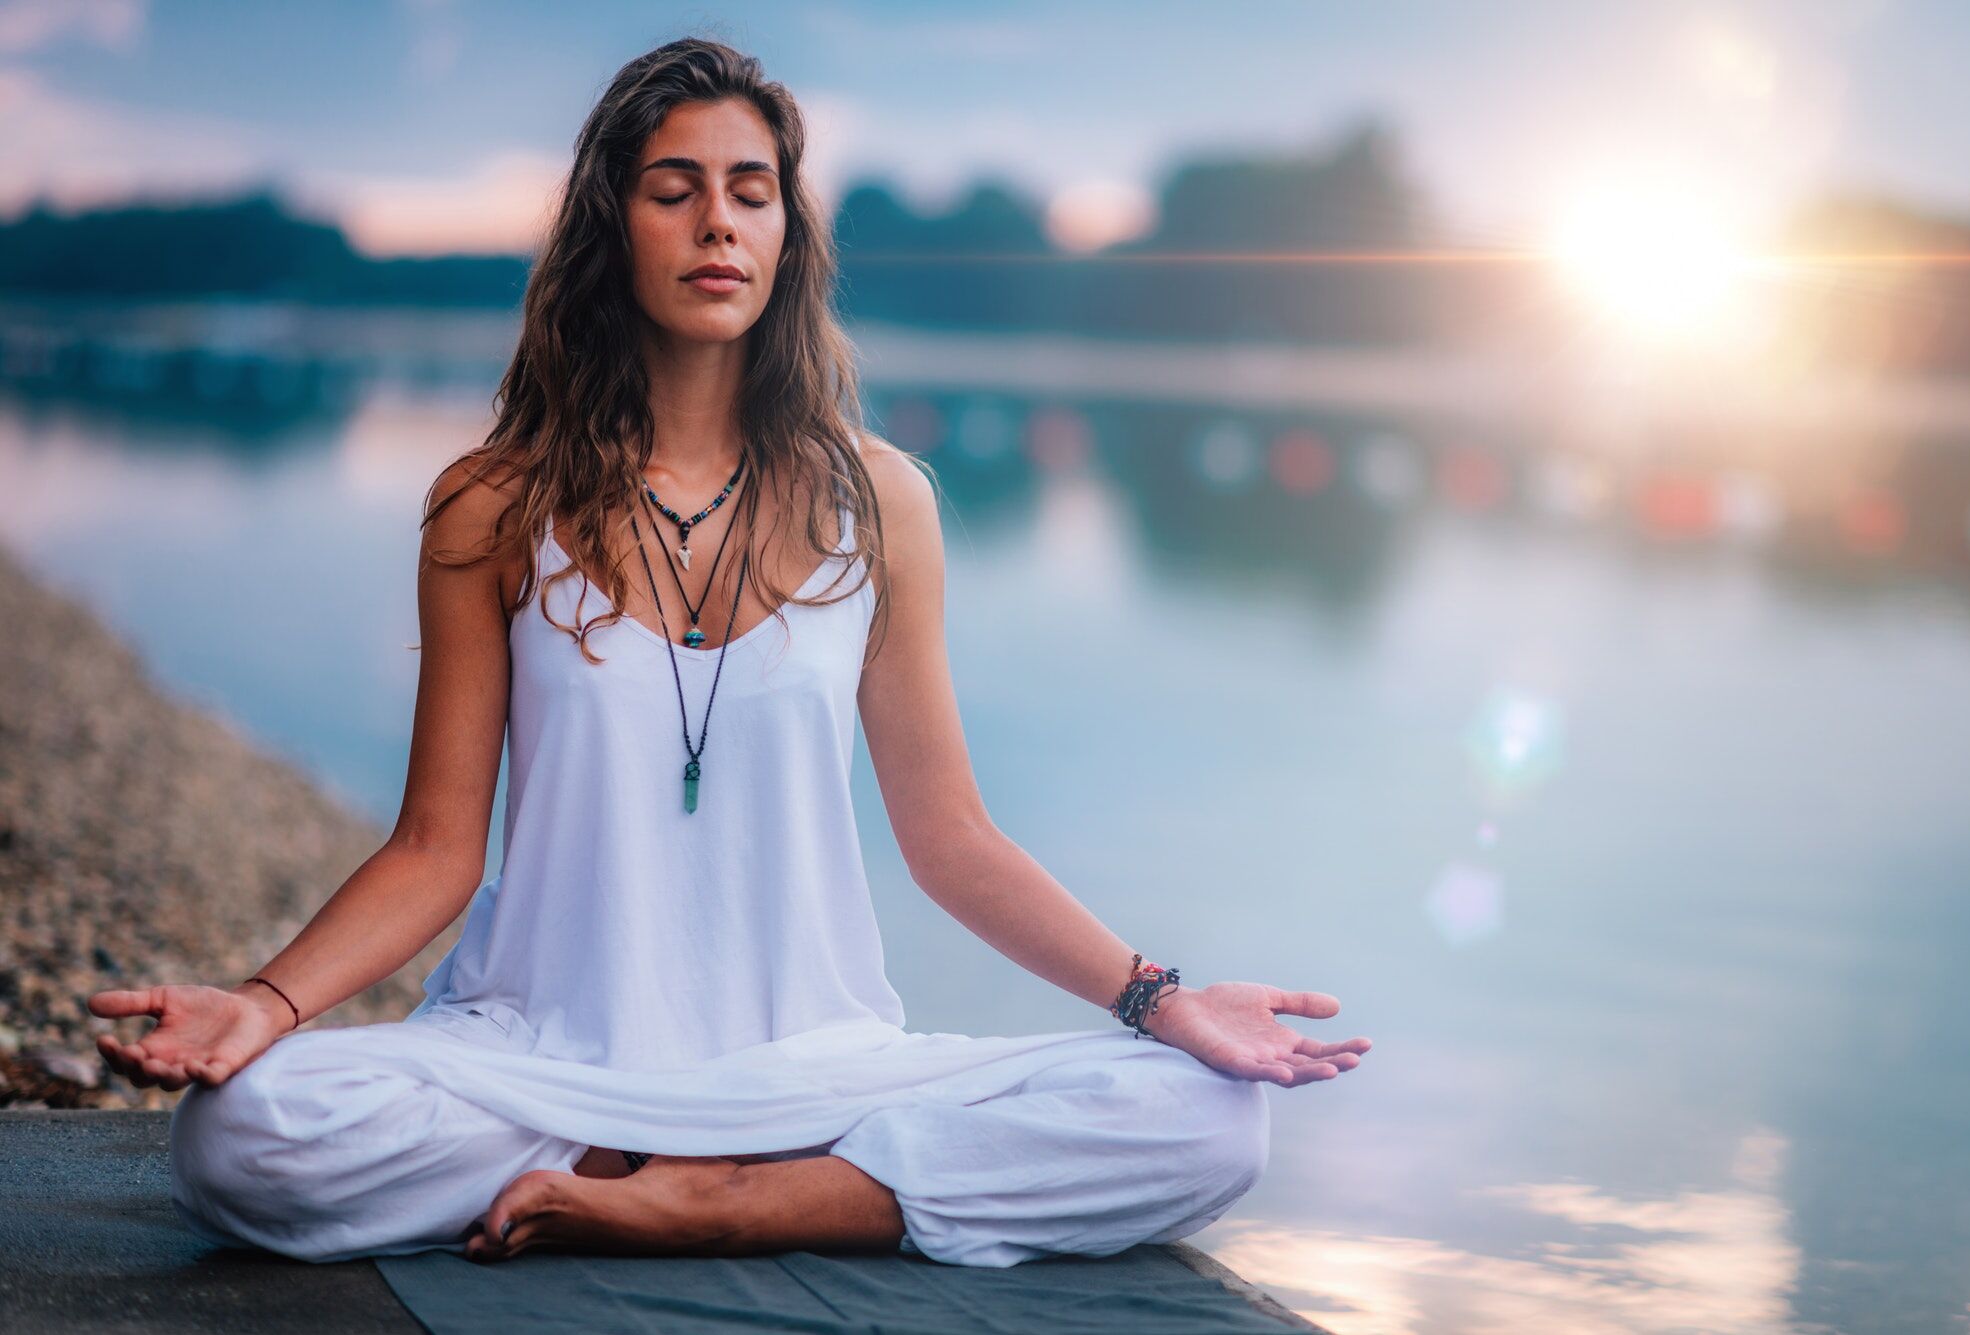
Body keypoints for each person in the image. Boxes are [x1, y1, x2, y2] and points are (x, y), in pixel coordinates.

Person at [86, 37, 1372, 1269]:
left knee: (1209, 1119)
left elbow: (950, 841)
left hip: (810, 1063)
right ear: (612, 228)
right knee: (244, 1137)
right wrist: (264, 1005)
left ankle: (721, 1205)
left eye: (750, 193)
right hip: (544, 1062)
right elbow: (436, 847)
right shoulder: (491, 504)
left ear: (784, 238)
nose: (717, 223)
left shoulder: (881, 503)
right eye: (675, 189)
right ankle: (673, 1174)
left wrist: (1161, 1002)